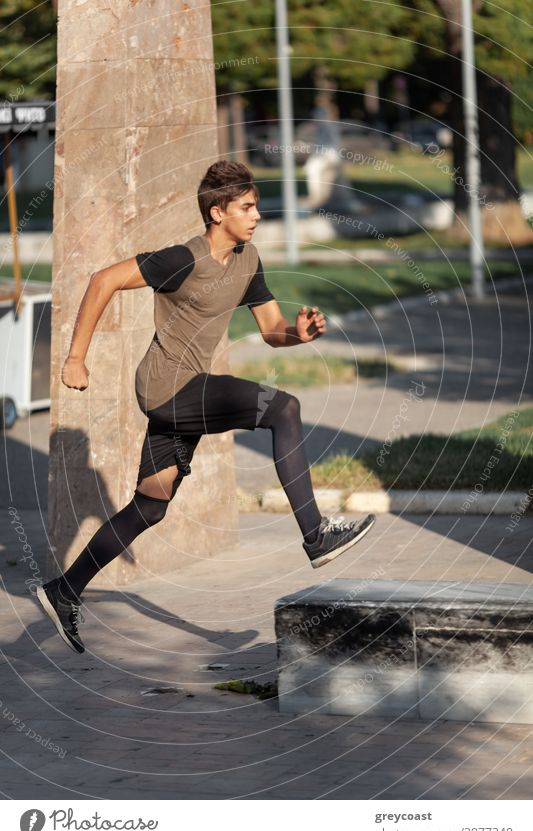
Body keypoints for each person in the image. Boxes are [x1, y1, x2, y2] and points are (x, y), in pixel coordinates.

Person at [37, 160, 375, 654]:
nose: (256, 215)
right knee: (284, 408)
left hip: (185, 393)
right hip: (166, 388)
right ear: (217, 212)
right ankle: (316, 535)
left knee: (151, 506)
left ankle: (63, 592)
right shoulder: (181, 260)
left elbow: (271, 328)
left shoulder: (247, 260)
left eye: (256, 206)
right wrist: (74, 358)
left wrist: (297, 334)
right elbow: (101, 280)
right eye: (246, 207)